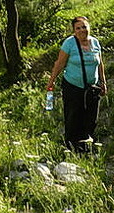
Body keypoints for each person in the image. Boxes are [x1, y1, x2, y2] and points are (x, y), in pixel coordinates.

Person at [46, 15, 107, 152]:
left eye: (84, 26)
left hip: (92, 88)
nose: (81, 30)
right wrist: (51, 82)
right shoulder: (69, 43)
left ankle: (86, 147)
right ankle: (71, 149)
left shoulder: (95, 43)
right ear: (74, 31)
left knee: (91, 118)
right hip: (73, 87)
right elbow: (60, 64)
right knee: (73, 118)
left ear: (89, 27)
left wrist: (103, 82)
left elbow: (100, 64)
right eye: (78, 28)